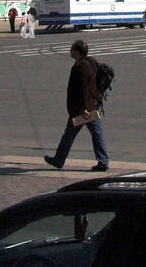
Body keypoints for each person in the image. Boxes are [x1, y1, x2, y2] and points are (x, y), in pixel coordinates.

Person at [43, 39, 109, 171]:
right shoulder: (91, 61)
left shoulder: (80, 67)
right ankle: (103, 161)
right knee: (96, 133)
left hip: (83, 107)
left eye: (72, 49)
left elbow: (83, 89)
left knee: (70, 134)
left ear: (77, 52)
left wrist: (83, 108)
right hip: (93, 103)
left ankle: (59, 160)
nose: (70, 51)